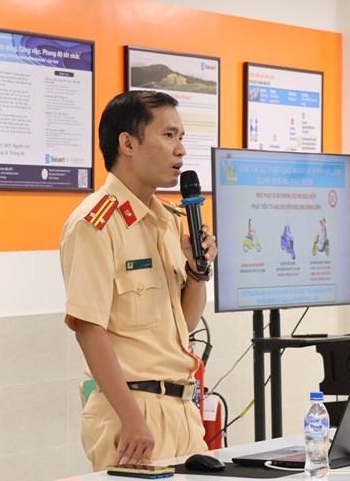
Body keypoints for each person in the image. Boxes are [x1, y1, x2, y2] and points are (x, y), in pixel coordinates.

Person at [59, 90, 218, 471]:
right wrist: (132, 419)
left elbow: (185, 323)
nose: (180, 150)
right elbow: (87, 329)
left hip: (182, 410)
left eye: (182, 138)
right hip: (132, 412)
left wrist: (197, 271)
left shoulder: (169, 220)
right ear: (127, 143)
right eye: (168, 136)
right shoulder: (95, 224)